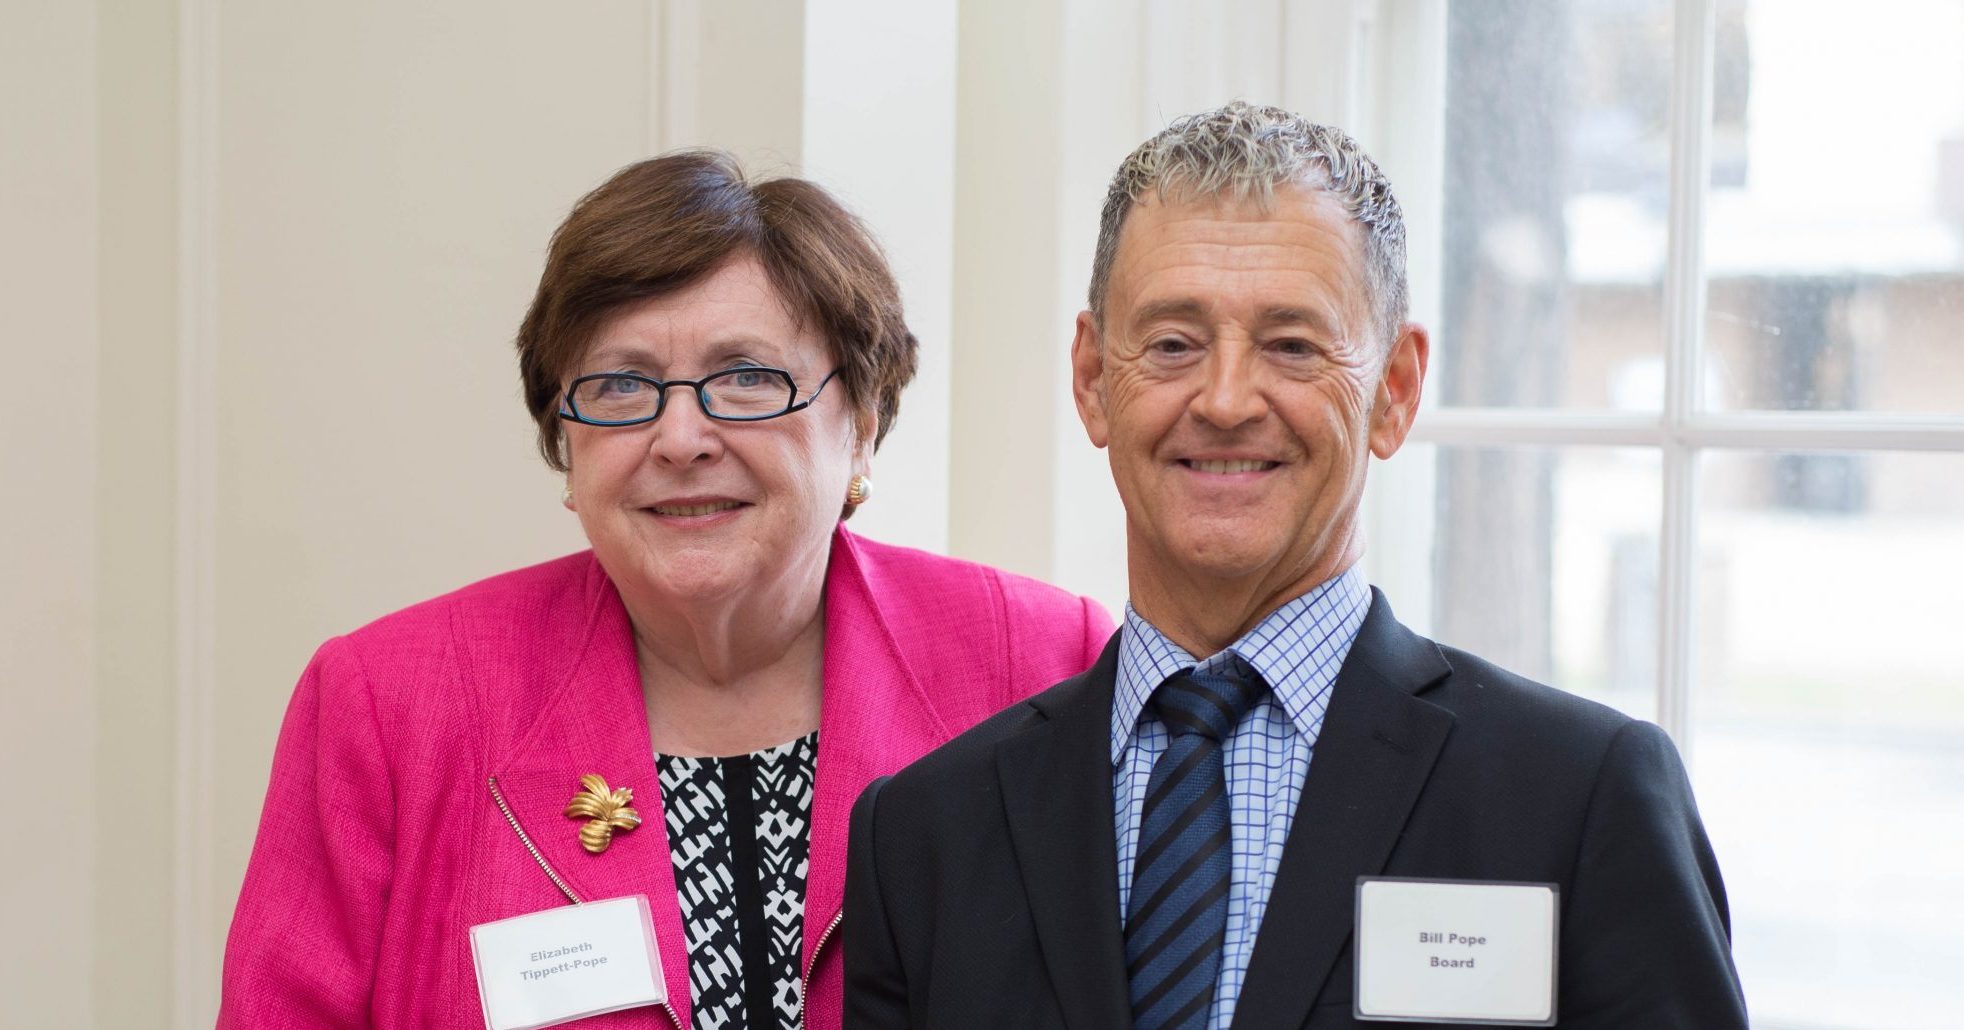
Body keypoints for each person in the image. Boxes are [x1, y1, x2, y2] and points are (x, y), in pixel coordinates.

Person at [844, 102, 1748, 1028]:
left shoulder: (1579, 798)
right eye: (1173, 344)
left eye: (1291, 346)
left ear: (1394, 391)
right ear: (1092, 379)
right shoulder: (925, 837)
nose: (1227, 401)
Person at [218, 150, 1113, 1030]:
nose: (681, 439)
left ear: (863, 424)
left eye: (748, 378)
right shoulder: (389, 708)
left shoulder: (1042, 661)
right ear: (565, 444)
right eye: (620, 385)